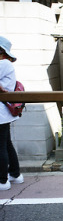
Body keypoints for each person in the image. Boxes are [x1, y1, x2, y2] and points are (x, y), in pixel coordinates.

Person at [0, 36, 24, 191]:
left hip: (1, 112)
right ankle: (15, 174)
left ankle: (2, 181)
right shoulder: (6, 63)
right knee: (6, 144)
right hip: (3, 112)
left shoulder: (3, 63)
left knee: (1, 146)